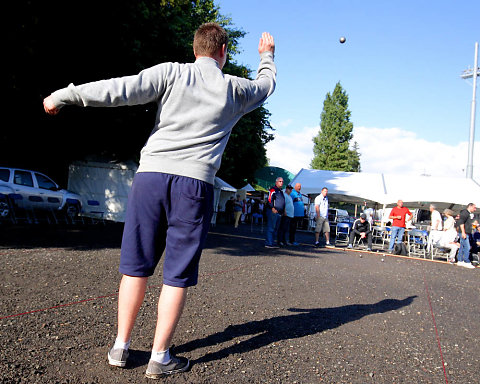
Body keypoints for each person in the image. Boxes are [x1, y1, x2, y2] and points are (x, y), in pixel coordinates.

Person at [43, 23, 276, 378]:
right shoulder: (233, 89)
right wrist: (267, 56)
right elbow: (266, 85)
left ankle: (120, 347)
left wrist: (65, 95)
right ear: (224, 52)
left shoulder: (170, 74)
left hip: (150, 177)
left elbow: (118, 89)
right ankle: (159, 356)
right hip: (194, 185)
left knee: (136, 264)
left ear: (194, 49)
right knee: (176, 274)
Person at [265, 177, 285, 248]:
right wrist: (272, 208)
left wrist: (283, 211)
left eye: (282, 181)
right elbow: (269, 199)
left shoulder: (280, 191)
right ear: (276, 182)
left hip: (279, 212)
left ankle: (272, 242)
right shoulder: (273, 190)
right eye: (280, 181)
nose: (281, 183)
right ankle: (268, 243)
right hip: (273, 211)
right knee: (271, 227)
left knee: (275, 229)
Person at [456, 203, 477, 269]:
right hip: (464, 232)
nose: (475, 209)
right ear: (470, 207)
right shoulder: (464, 213)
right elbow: (461, 222)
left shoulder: (469, 214)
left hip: (467, 232)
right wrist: (463, 232)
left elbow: (467, 222)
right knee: (467, 247)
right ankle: (466, 261)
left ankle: (460, 260)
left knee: (462, 246)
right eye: (474, 207)